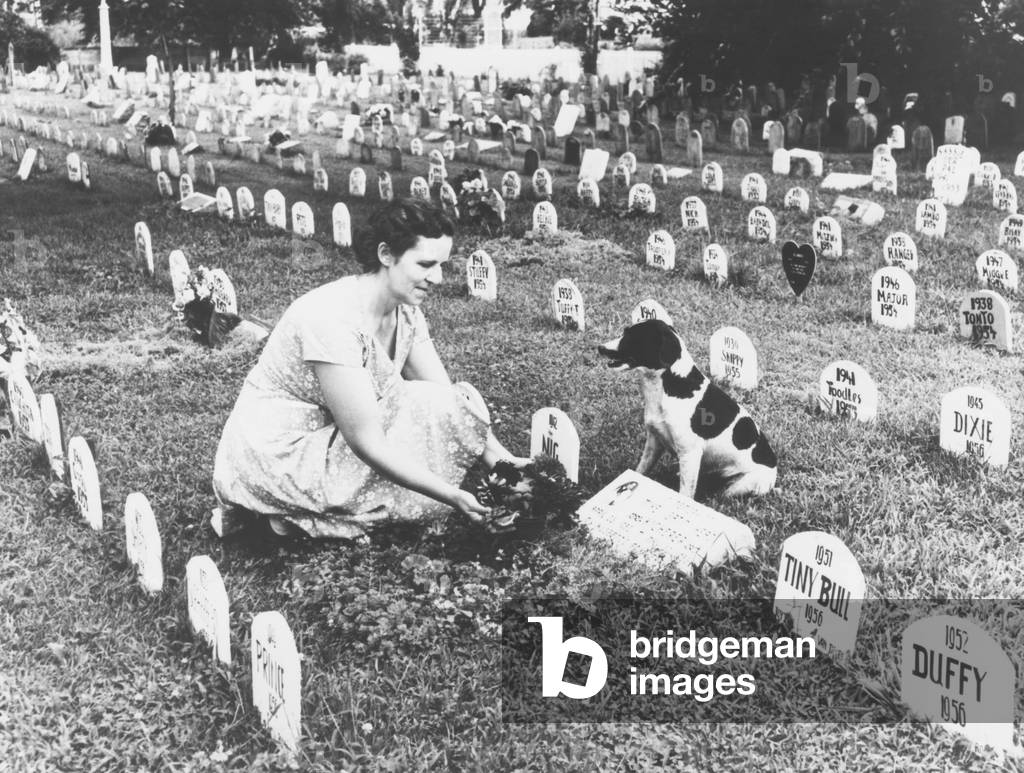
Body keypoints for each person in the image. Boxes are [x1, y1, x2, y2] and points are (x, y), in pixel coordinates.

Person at [213, 198, 528, 539]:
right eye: (425, 264)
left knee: (447, 398)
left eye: (441, 265)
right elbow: (368, 443)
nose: (437, 278)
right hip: (278, 455)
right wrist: (452, 496)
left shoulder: (405, 310)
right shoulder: (332, 319)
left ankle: (301, 518)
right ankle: (283, 515)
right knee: (401, 494)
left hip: (329, 437)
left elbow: (444, 399)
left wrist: (506, 464)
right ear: (386, 255)